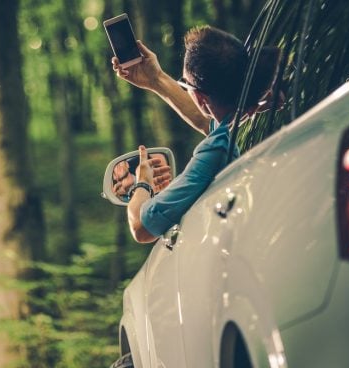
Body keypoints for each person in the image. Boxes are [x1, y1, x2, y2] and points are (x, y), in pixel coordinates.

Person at [111, 26, 279, 243]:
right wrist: (155, 79)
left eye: (185, 84)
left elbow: (142, 228)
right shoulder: (234, 126)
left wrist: (142, 182)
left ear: (200, 98)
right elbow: (205, 120)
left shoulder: (215, 151)